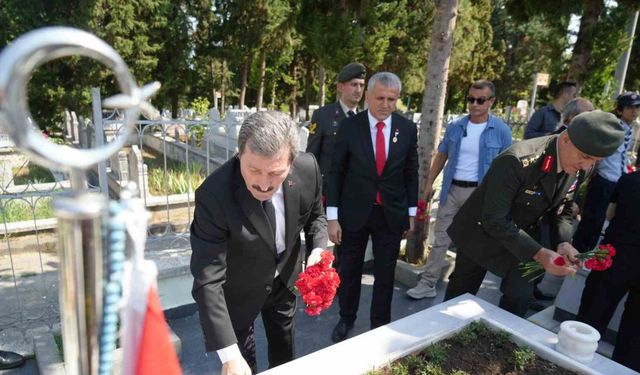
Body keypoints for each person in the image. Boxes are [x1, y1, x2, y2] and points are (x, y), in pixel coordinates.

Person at [443, 110, 625, 317]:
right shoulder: (518, 160)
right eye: (585, 157)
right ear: (565, 138)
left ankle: (504, 343)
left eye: (595, 160)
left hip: (527, 238)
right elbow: (494, 218)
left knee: (519, 298)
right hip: (482, 233)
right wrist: (539, 254)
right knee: (458, 300)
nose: (586, 165)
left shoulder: (582, 166)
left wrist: (563, 242)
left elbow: (563, 209)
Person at [190, 111, 328, 374]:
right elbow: (208, 278)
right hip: (237, 289)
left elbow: (315, 217)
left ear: (292, 162)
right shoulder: (214, 196)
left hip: (284, 279)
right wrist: (229, 355)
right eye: (254, 170)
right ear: (239, 153)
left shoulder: (308, 169)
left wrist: (318, 249)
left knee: (284, 352)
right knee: (242, 362)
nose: (264, 184)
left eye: (275, 173)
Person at [326, 72, 418, 342]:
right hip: (354, 213)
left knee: (385, 273)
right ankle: (346, 318)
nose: (386, 104)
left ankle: (380, 324)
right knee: (350, 269)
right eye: (380, 98)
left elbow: (411, 173)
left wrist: (412, 213)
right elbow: (336, 172)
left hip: (390, 214)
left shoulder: (407, 128)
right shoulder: (349, 127)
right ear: (367, 96)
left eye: (392, 99)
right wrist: (333, 217)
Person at [406, 80, 512, 300]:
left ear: (491, 102)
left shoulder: (501, 130)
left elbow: (508, 167)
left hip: (480, 194)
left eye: (480, 100)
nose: (474, 104)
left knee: (471, 241)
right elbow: (442, 156)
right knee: (441, 238)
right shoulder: (456, 126)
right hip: (452, 190)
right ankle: (428, 283)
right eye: (470, 99)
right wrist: (428, 186)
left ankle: (461, 286)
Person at [576, 170, 640, 372]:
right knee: (635, 334)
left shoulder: (629, 180)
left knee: (594, 313)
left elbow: (610, 213)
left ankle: (573, 362)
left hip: (618, 253)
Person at [572, 92, 638, 253]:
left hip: (617, 182)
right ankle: (578, 253)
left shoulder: (628, 128)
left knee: (604, 221)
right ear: (620, 110)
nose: (635, 111)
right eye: (630, 107)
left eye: (637, 107)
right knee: (592, 219)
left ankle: (587, 253)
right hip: (604, 180)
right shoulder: (612, 126)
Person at [306, 62, 366, 198]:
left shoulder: (365, 119)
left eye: (361, 85)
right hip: (328, 192)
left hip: (356, 193)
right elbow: (311, 156)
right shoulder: (322, 115)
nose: (358, 90)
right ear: (340, 87)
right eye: (354, 84)